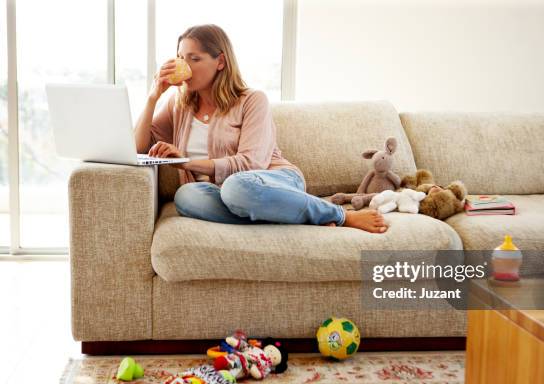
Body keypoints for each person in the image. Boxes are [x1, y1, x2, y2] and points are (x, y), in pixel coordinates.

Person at [134, 24, 387, 233]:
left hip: (271, 182)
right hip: (224, 195)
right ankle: (289, 215)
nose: (184, 66)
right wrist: (152, 97)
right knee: (186, 196)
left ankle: (339, 214)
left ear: (220, 61)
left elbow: (250, 164)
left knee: (236, 188)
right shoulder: (179, 105)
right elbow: (138, 147)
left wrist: (186, 163)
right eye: (180, 57)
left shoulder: (252, 100)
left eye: (194, 58)